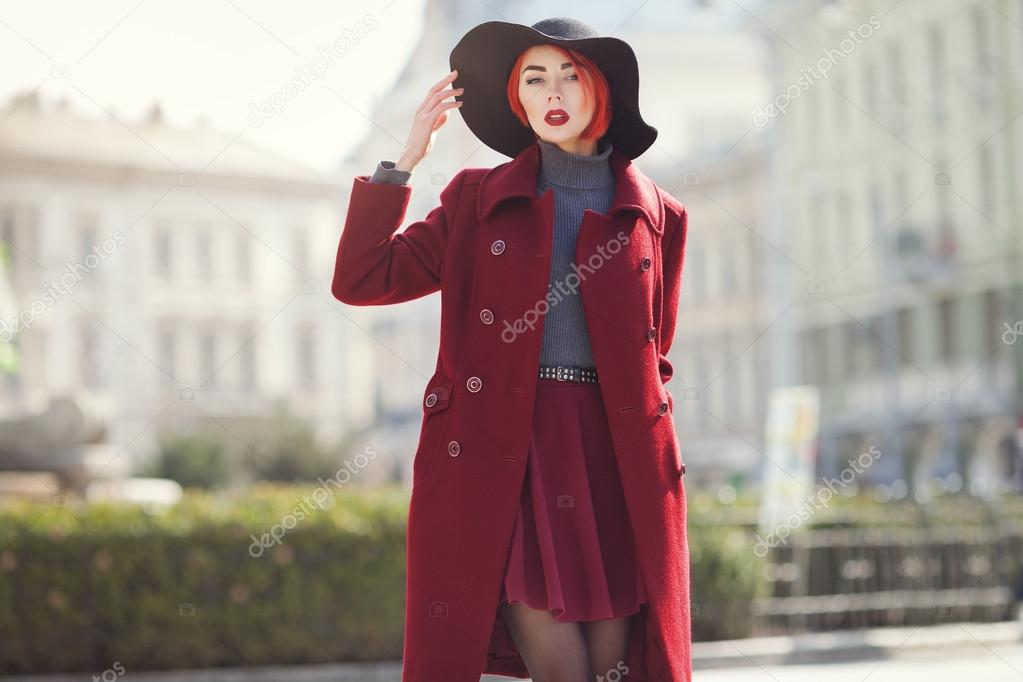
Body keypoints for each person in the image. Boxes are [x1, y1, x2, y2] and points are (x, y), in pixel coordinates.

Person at [334, 17, 691, 681]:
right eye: (534, 78)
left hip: (614, 458)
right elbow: (362, 277)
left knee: (616, 665)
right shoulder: (476, 199)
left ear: (599, 92)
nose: (551, 91)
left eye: (567, 75)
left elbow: (655, 355)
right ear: (516, 100)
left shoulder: (658, 214)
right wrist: (403, 160)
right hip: (510, 448)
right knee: (560, 663)